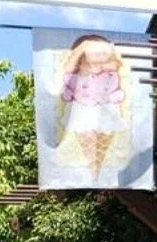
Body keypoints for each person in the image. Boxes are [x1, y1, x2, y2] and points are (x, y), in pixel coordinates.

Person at [54, 35, 130, 178]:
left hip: (106, 112)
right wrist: (80, 49)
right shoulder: (75, 77)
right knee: (88, 140)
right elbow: (68, 76)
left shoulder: (111, 76)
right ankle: (94, 172)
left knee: (104, 136)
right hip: (82, 111)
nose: (98, 67)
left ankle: (96, 172)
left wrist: (114, 96)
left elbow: (117, 85)